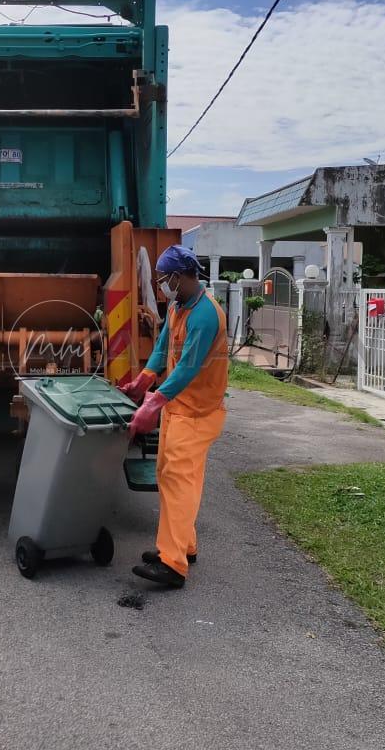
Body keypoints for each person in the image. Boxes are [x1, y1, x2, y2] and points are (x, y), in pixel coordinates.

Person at [121, 245, 228, 588]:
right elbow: (163, 348)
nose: (161, 285)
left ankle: (173, 564)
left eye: (165, 279)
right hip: (180, 408)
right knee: (172, 476)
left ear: (180, 277)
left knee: (178, 481)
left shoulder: (205, 315)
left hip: (197, 411)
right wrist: (144, 381)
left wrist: (151, 404)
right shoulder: (179, 306)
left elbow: (187, 368)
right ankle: (183, 545)